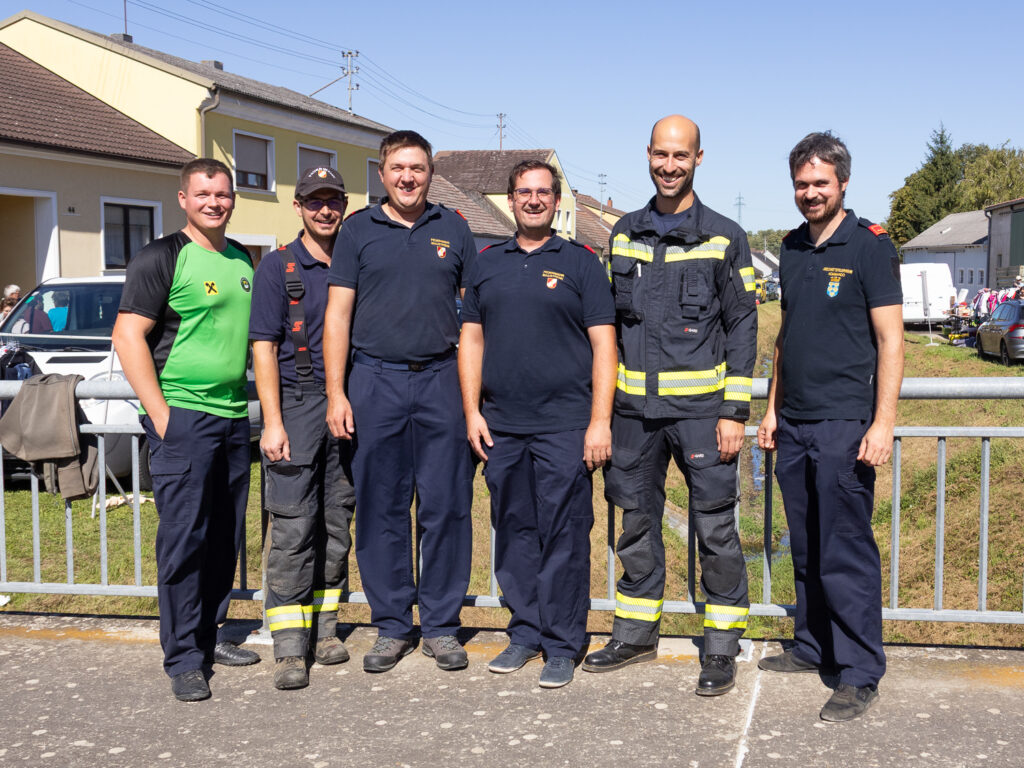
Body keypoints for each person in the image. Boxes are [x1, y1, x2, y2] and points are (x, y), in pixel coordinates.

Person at [583, 115, 757, 697]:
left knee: (714, 529)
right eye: (661, 154)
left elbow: (742, 324)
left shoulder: (725, 236)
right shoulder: (624, 233)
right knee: (634, 525)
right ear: (648, 155)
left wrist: (735, 411)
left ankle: (721, 645)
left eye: (680, 156)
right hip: (634, 415)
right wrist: (603, 413)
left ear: (699, 159)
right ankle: (635, 633)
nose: (669, 165)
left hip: (704, 413)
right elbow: (609, 325)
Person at [757, 131, 904, 722]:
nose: (809, 192)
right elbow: (785, 338)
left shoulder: (870, 246)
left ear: (842, 183)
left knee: (845, 550)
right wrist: (771, 409)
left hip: (846, 424)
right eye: (801, 183)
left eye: (820, 183)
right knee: (807, 545)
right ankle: (813, 646)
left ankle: (859, 671)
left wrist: (883, 423)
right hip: (794, 423)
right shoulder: (791, 247)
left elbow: (891, 340)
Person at [459, 160, 616, 688]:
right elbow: (472, 342)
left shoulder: (581, 262)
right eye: (523, 192)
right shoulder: (486, 263)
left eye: (542, 193)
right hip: (502, 425)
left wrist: (599, 421)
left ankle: (562, 644)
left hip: (565, 425)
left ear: (555, 201)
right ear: (510, 200)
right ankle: (524, 632)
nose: (532, 200)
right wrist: (472, 411)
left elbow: (604, 345)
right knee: (515, 533)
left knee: (565, 536)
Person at [323, 130, 476, 673]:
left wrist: (474, 398)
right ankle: (392, 626)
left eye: (418, 168)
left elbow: (475, 320)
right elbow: (337, 315)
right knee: (382, 507)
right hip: (374, 382)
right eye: (398, 168)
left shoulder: (454, 230)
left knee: (446, 506)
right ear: (382, 173)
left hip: (440, 381)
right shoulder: (357, 231)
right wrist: (336, 391)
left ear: (430, 173)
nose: (408, 177)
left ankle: (439, 625)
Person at [112, 158, 257, 702]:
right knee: (182, 540)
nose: (214, 202)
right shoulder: (162, 257)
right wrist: (164, 415)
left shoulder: (243, 259)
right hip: (184, 417)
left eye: (222, 194)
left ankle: (210, 634)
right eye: (203, 194)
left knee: (224, 535)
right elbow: (128, 338)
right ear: (183, 198)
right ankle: (182, 658)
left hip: (232, 416)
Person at [249, 166, 356, 690]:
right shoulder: (277, 267)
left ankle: (327, 629)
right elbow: (263, 347)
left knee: (336, 524)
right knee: (293, 527)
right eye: (315, 201)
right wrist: (272, 422)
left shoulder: (354, 260)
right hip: (296, 405)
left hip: (347, 409)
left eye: (333, 200)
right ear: (298, 207)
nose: (325, 210)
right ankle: (290, 647)